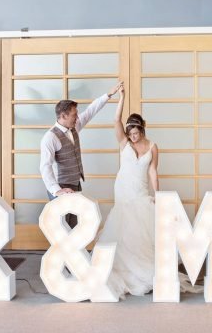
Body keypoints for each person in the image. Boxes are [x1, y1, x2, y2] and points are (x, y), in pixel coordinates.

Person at [97, 85, 201, 299]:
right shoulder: (124, 143)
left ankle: (146, 268)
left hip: (140, 190)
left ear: (142, 130)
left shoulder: (153, 146)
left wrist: (158, 195)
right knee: (124, 226)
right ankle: (124, 265)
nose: (133, 137)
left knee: (142, 228)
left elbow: (153, 171)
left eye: (136, 133)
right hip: (123, 189)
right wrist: (122, 98)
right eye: (130, 134)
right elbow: (116, 121)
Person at [40, 82, 123, 229]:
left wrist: (108, 94)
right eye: (74, 115)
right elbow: (45, 166)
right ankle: (60, 252)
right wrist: (56, 190)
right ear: (63, 115)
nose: (77, 117)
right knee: (60, 228)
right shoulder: (50, 137)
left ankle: (72, 252)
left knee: (74, 226)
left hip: (75, 185)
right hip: (60, 188)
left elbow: (91, 110)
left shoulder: (74, 127)